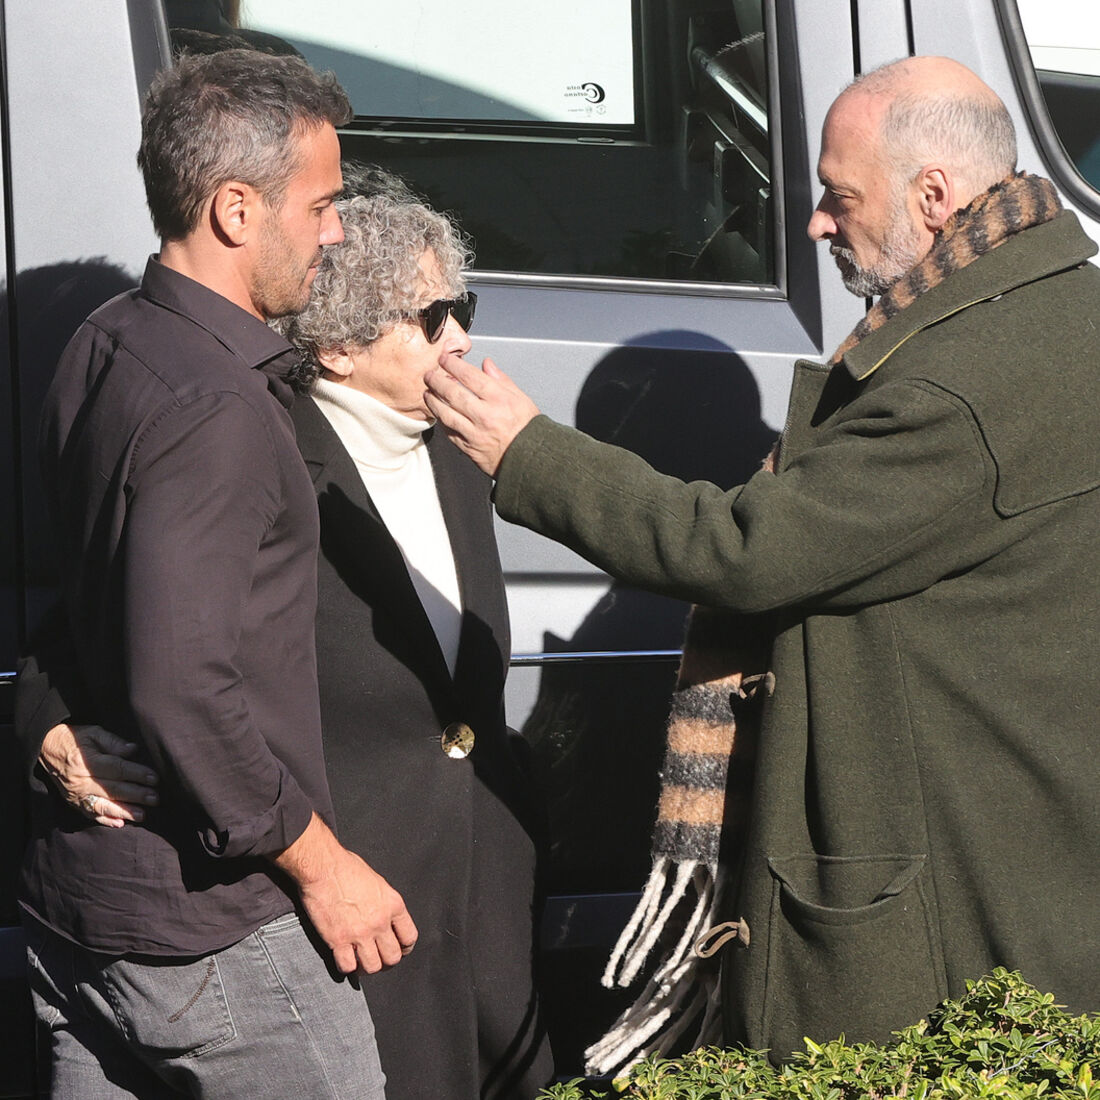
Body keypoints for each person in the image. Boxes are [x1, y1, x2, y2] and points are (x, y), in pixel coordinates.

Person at [423, 54, 1100, 1064]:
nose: (817, 225)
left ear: (932, 194)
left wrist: (530, 453)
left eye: (837, 198)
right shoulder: (1049, 303)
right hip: (1017, 853)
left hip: (947, 888)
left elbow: (743, 549)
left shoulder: (952, 387)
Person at [31, 169, 555, 1098]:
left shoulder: (463, 451)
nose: (463, 338)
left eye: (461, 304)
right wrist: (51, 729)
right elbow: (113, 627)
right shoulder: (255, 442)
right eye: (432, 318)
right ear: (344, 348)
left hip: (481, 890)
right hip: (343, 904)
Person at [16, 50, 415, 1098]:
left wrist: (39, 726)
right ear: (236, 209)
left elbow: (84, 601)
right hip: (212, 933)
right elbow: (183, 682)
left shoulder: (105, 342)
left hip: (79, 915)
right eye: (323, 203)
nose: (337, 229)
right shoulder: (214, 408)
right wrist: (326, 870)